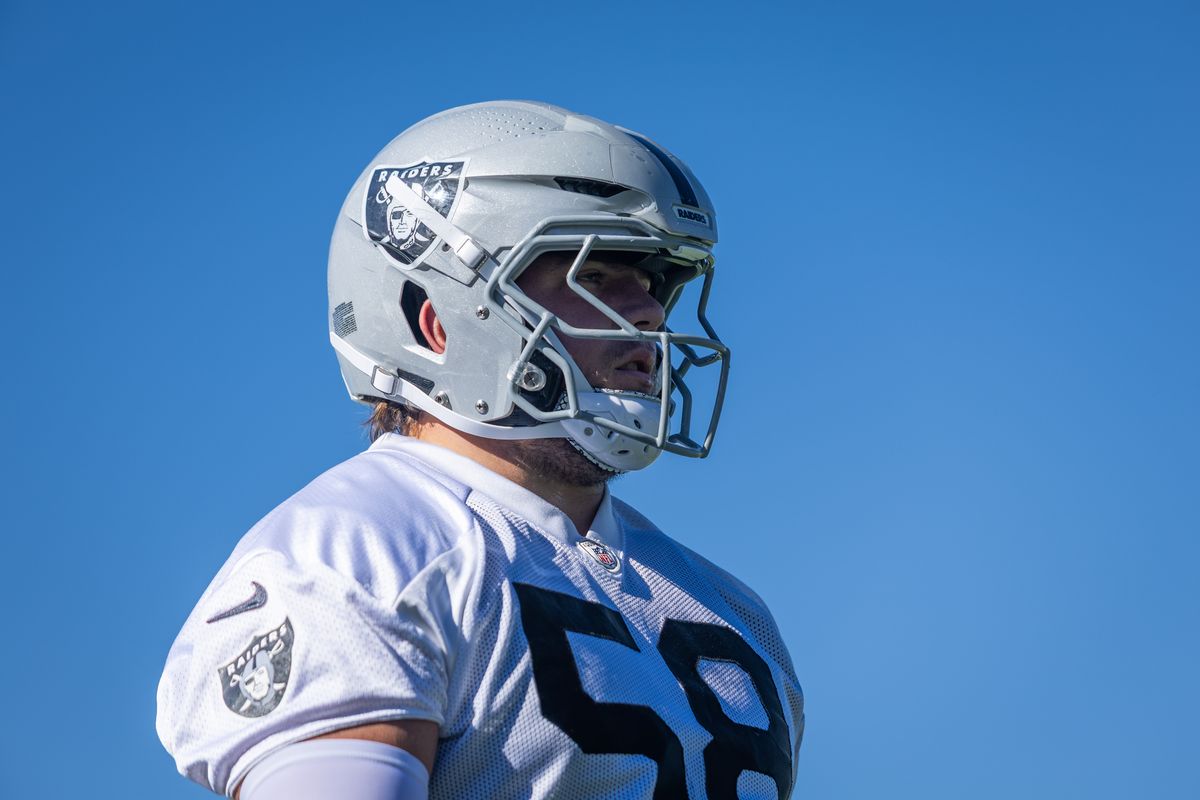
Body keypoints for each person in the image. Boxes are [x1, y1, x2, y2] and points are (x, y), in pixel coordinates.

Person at [157, 100, 804, 800]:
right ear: (438, 325)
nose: (647, 311)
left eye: (651, 281)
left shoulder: (732, 608)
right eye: (593, 274)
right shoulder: (358, 553)